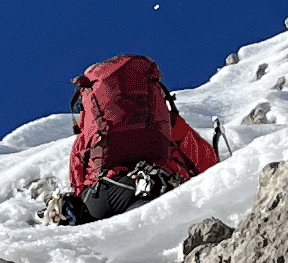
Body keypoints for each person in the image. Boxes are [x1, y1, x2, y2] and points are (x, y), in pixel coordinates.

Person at [50, 54, 220, 223]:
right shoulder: (164, 121)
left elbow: (77, 176)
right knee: (147, 229)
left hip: (98, 194)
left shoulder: (91, 132)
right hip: (149, 185)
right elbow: (206, 162)